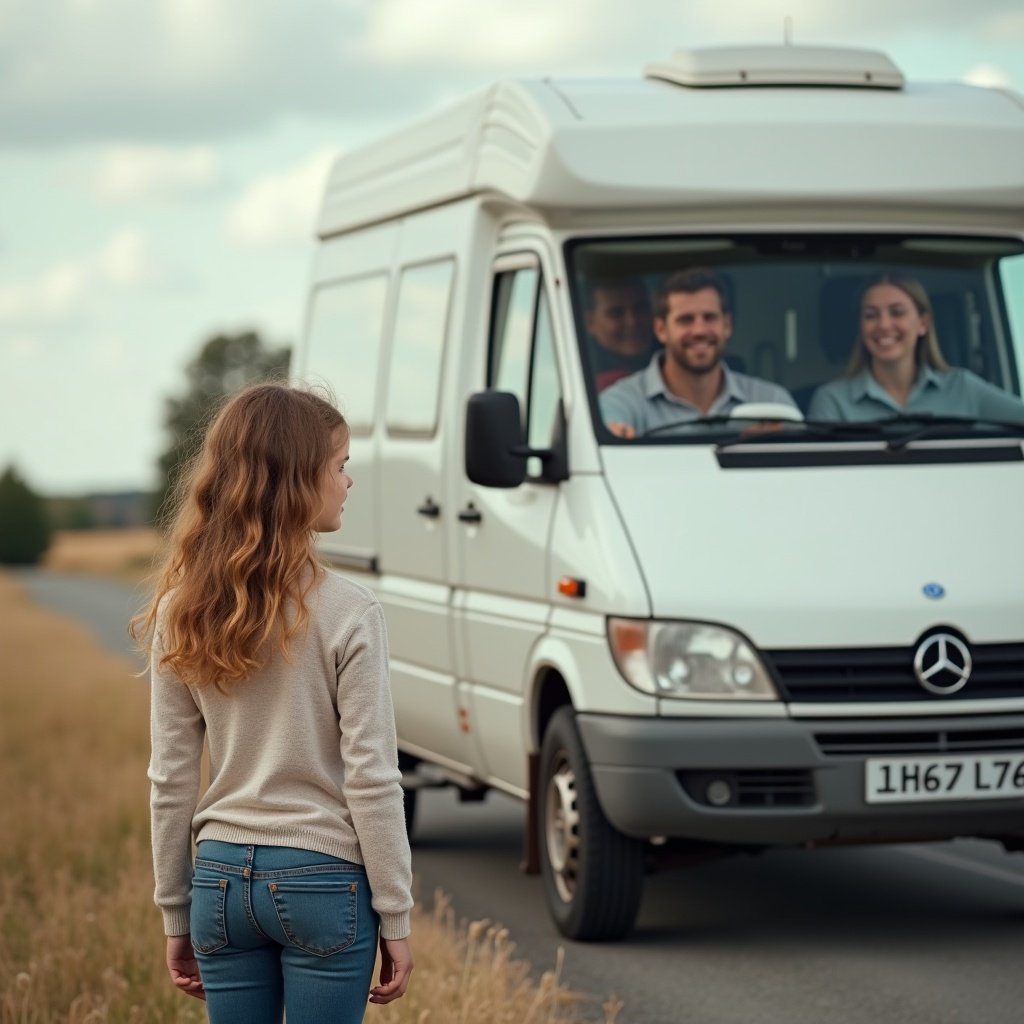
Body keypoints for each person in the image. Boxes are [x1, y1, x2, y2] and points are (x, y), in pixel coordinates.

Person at [131, 383, 413, 1024]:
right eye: (339, 466)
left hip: (220, 883)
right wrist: (395, 913)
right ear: (297, 481)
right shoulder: (351, 611)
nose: (349, 482)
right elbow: (372, 777)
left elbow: (170, 778)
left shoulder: (184, 610)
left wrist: (176, 909)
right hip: (323, 880)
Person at [599, 267, 796, 437]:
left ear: (727, 325)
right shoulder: (620, 403)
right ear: (660, 329)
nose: (700, 331)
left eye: (709, 317)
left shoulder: (773, 402)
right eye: (686, 320)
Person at [808, 274, 1024, 423]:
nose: (883, 325)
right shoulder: (832, 400)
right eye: (871, 315)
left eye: (897, 312)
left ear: (923, 323)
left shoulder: (963, 388)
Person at [583, 276, 657, 391]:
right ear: (589, 322)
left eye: (640, 309)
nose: (632, 322)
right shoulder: (586, 385)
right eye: (616, 313)